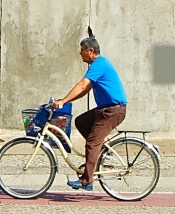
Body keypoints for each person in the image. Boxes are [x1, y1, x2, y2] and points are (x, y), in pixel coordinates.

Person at [52, 28, 127, 191]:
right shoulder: (97, 65)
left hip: (113, 111)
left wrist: (63, 101)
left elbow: (82, 85)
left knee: (92, 142)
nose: (80, 54)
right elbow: (85, 90)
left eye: (82, 51)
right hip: (106, 109)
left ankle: (87, 181)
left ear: (90, 51)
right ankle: (101, 150)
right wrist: (66, 100)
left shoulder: (99, 65)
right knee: (81, 121)